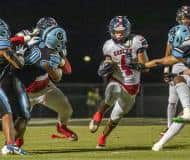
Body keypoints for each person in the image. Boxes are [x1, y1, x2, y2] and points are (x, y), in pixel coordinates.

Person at [13, 18, 77, 147]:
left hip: (45, 87)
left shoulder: (53, 47)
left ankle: (62, 127)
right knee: (21, 123)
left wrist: (61, 56)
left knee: (66, 110)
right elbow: (8, 43)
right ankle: (17, 140)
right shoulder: (27, 36)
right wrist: (24, 39)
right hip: (25, 91)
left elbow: (68, 70)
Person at [89, 16, 149, 148]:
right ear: (111, 31)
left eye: (121, 31)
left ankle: (103, 137)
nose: (119, 34)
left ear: (127, 30)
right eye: (116, 31)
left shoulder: (137, 41)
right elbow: (108, 62)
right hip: (117, 78)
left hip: (132, 86)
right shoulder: (108, 45)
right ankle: (98, 114)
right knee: (112, 91)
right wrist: (105, 66)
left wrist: (134, 64)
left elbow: (146, 67)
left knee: (116, 116)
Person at [162, 5, 190, 138]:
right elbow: (168, 50)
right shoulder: (173, 31)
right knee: (172, 100)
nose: (187, 20)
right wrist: (166, 68)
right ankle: (169, 127)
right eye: (184, 18)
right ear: (179, 19)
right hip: (176, 64)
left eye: (189, 18)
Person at [0, 18, 28, 155]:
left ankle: (10, 145)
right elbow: (18, 64)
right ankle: (9, 146)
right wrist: (20, 54)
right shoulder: (4, 47)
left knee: (6, 114)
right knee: (6, 114)